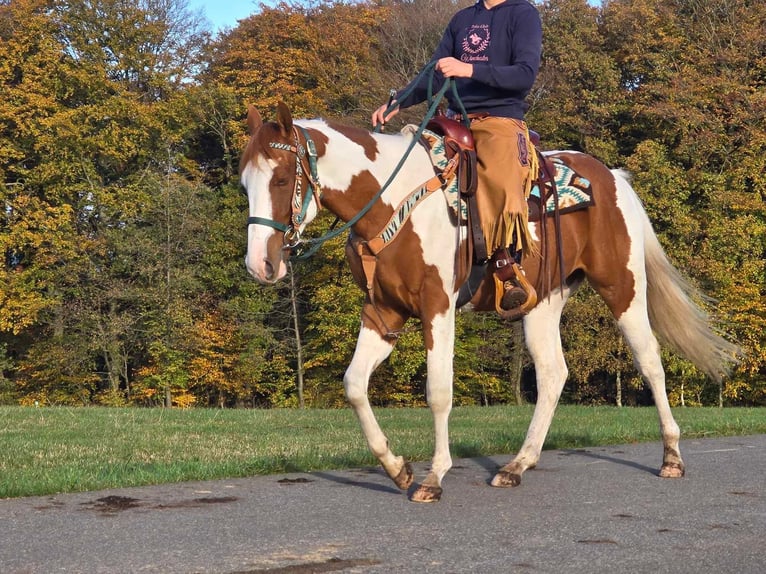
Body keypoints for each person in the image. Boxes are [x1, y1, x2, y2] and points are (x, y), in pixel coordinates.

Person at [372, 0, 542, 315]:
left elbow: (524, 75)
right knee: (412, 160)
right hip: (453, 119)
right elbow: (435, 75)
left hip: (500, 119)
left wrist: (468, 69)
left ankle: (506, 268)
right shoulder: (462, 18)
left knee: (499, 178)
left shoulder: (523, 13)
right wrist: (399, 102)